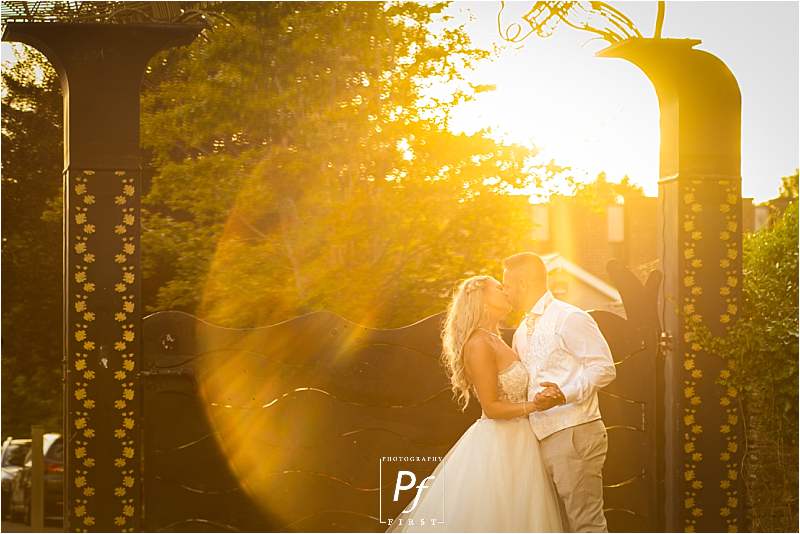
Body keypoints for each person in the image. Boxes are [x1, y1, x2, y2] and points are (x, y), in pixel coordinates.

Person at [386, 275, 563, 532]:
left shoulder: (497, 338)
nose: (505, 292)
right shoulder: (479, 344)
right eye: (498, 288)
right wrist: (535, 406)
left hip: (521, 440)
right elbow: (491, 408)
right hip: (499, 445)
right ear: (481, 300)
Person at [502, 252, 617, 532]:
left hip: (574, 432)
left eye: (507, 285)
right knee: (558, 525)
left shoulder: (570, 317)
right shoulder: (521, 331)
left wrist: (564, 394)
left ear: (524, 283)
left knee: (585, 523)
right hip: (538, 438)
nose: (505, 292)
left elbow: (604, 368)